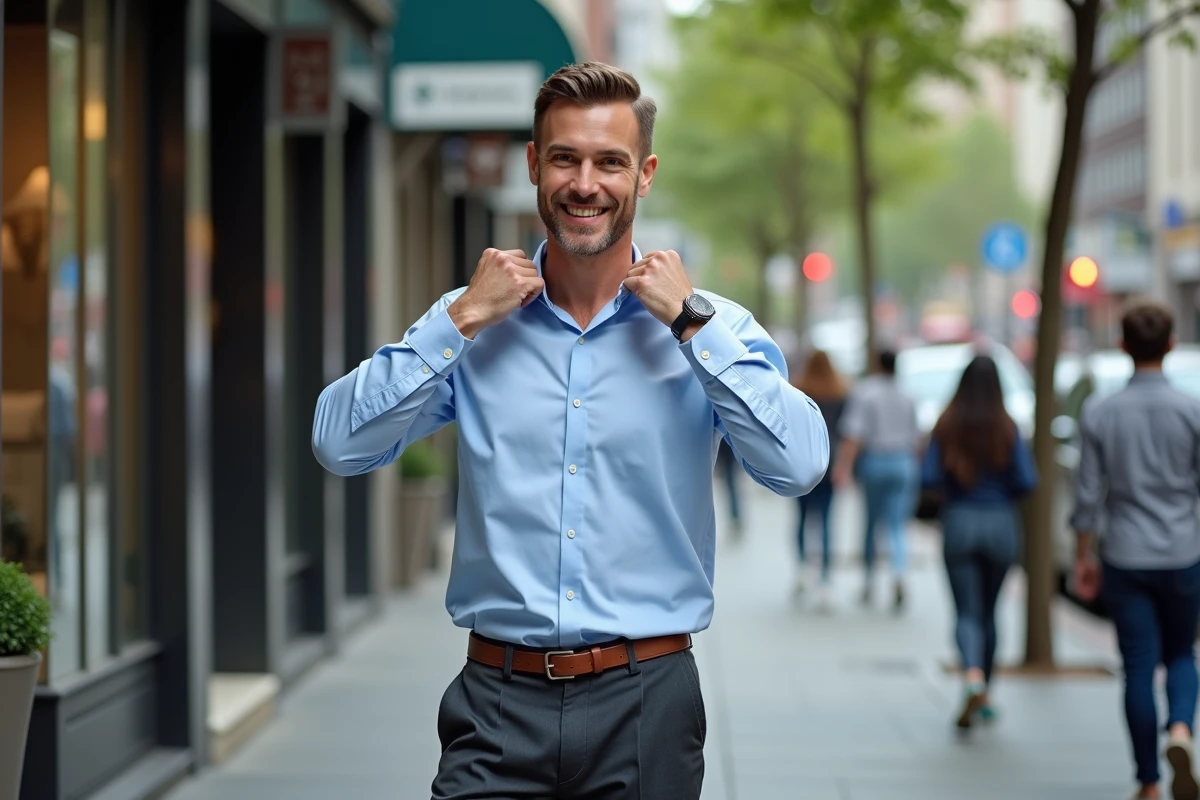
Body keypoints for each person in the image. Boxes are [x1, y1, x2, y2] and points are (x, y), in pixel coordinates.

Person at [311, 61, 829, 799]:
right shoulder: (473, 322)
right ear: (533, 164)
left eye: (609, 161)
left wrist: (692, 327)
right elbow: (338, 442)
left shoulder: (709, 327)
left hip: (647, 702)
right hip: (495, 704)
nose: (586, 183)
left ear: (644, 174)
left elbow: (799, 464)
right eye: (565, 158)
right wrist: (458, 321)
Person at [1072, 300, 1200, 800]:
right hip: (1182, 551)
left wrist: (1083, 555)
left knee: (1139, 665)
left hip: (1125, 553)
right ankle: (1182, 731)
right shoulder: (1191, 410)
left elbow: (1087, 497)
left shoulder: (1101, 410)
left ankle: (1148, 782)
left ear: (1123, 346)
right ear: (1169, 345)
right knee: (1182, 653)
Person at [920, 355, 1036, 730]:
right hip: (1001, 524)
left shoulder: (947, 425)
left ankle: (971, 677)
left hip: (959, 523)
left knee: (966, 612)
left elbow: (928, 476)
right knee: (989, 612)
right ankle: (985, 691)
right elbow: (1026, 481)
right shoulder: (1007, 428)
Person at [833, 348, 918, 611]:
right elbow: (916, 436)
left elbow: (854, 433)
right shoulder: (908, 395)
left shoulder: (866, 392)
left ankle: (869, 582)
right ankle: (899, 572)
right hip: (903, 462)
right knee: (896, 525)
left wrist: (843, 465)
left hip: (875, 462)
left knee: (870, 524)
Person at [791, 349, 848, 608]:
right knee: (826, 522)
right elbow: (846, 431)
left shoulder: (799, 389)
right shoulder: (840, 392)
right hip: (830, 463)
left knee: (802, 519)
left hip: (803, 461)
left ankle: (803, 569)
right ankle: (825, 580)